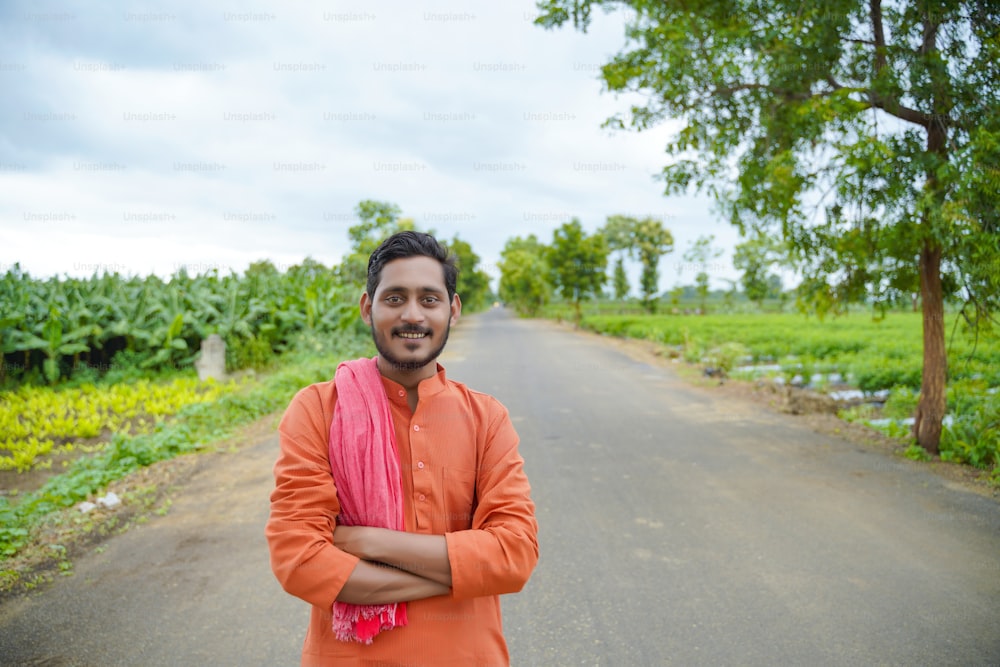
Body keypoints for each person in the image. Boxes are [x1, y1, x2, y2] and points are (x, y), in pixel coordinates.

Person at [266, 231, 539, 665]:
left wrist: (368, 540)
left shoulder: (487, 418)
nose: (412, 314)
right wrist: (464, 573)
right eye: (394, 298)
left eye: (429, 299)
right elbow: (299, 561)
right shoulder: (318, 409)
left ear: (453, 309)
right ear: (366, 308)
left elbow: (514, 555)